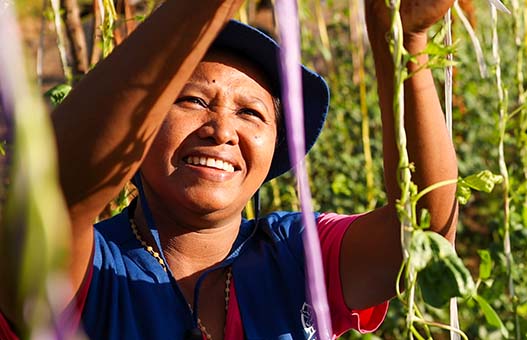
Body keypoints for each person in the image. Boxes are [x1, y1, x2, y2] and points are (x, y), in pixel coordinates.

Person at [0, 0, 458, 338]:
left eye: (251, 113)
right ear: (138, 130)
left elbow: (425, 235)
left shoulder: (298, 254)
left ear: (276, 145)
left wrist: (403, 40)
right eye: (193, 100)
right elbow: (52, 193)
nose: (221, 130)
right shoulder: (86, 269)